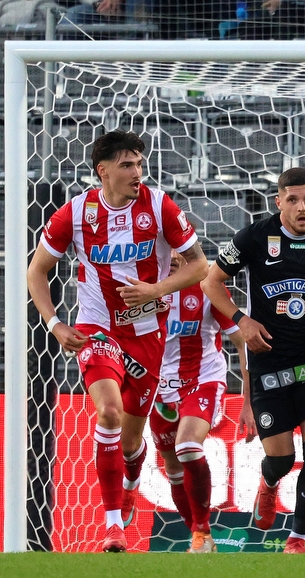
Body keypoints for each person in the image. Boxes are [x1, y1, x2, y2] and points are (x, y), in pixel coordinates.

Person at [27, 130, 208, 552]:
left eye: (140, 164)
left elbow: (200, 267)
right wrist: (55, 324)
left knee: (131, 443)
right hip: (97, 328)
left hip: (148, 335)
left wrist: (156, 290)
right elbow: (37, 271)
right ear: (102, 171)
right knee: (107, 411)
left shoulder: (160, 206)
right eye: (127, 165)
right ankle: (113, 527)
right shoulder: (73, 214)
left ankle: (131, 474)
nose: (137, 173)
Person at [202, 166, 305, 554]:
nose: (300, 207)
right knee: (281, 459)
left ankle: (297, 538)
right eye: (292, 200)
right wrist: (242, 321)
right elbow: (210, 282)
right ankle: (269, 482)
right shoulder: (255, 236)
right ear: (278, 202)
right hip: (268, 363)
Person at [142, 252, 256, 553]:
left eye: (181, 248)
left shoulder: (207, 287)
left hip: (202, 381)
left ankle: (202, 530)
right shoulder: (143, 289)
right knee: (173, 467)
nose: (175, 255)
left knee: (188, 448)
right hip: (160, 389)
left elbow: (243, 341)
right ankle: (200, 535)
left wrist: (249, 400)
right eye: (167, 249)